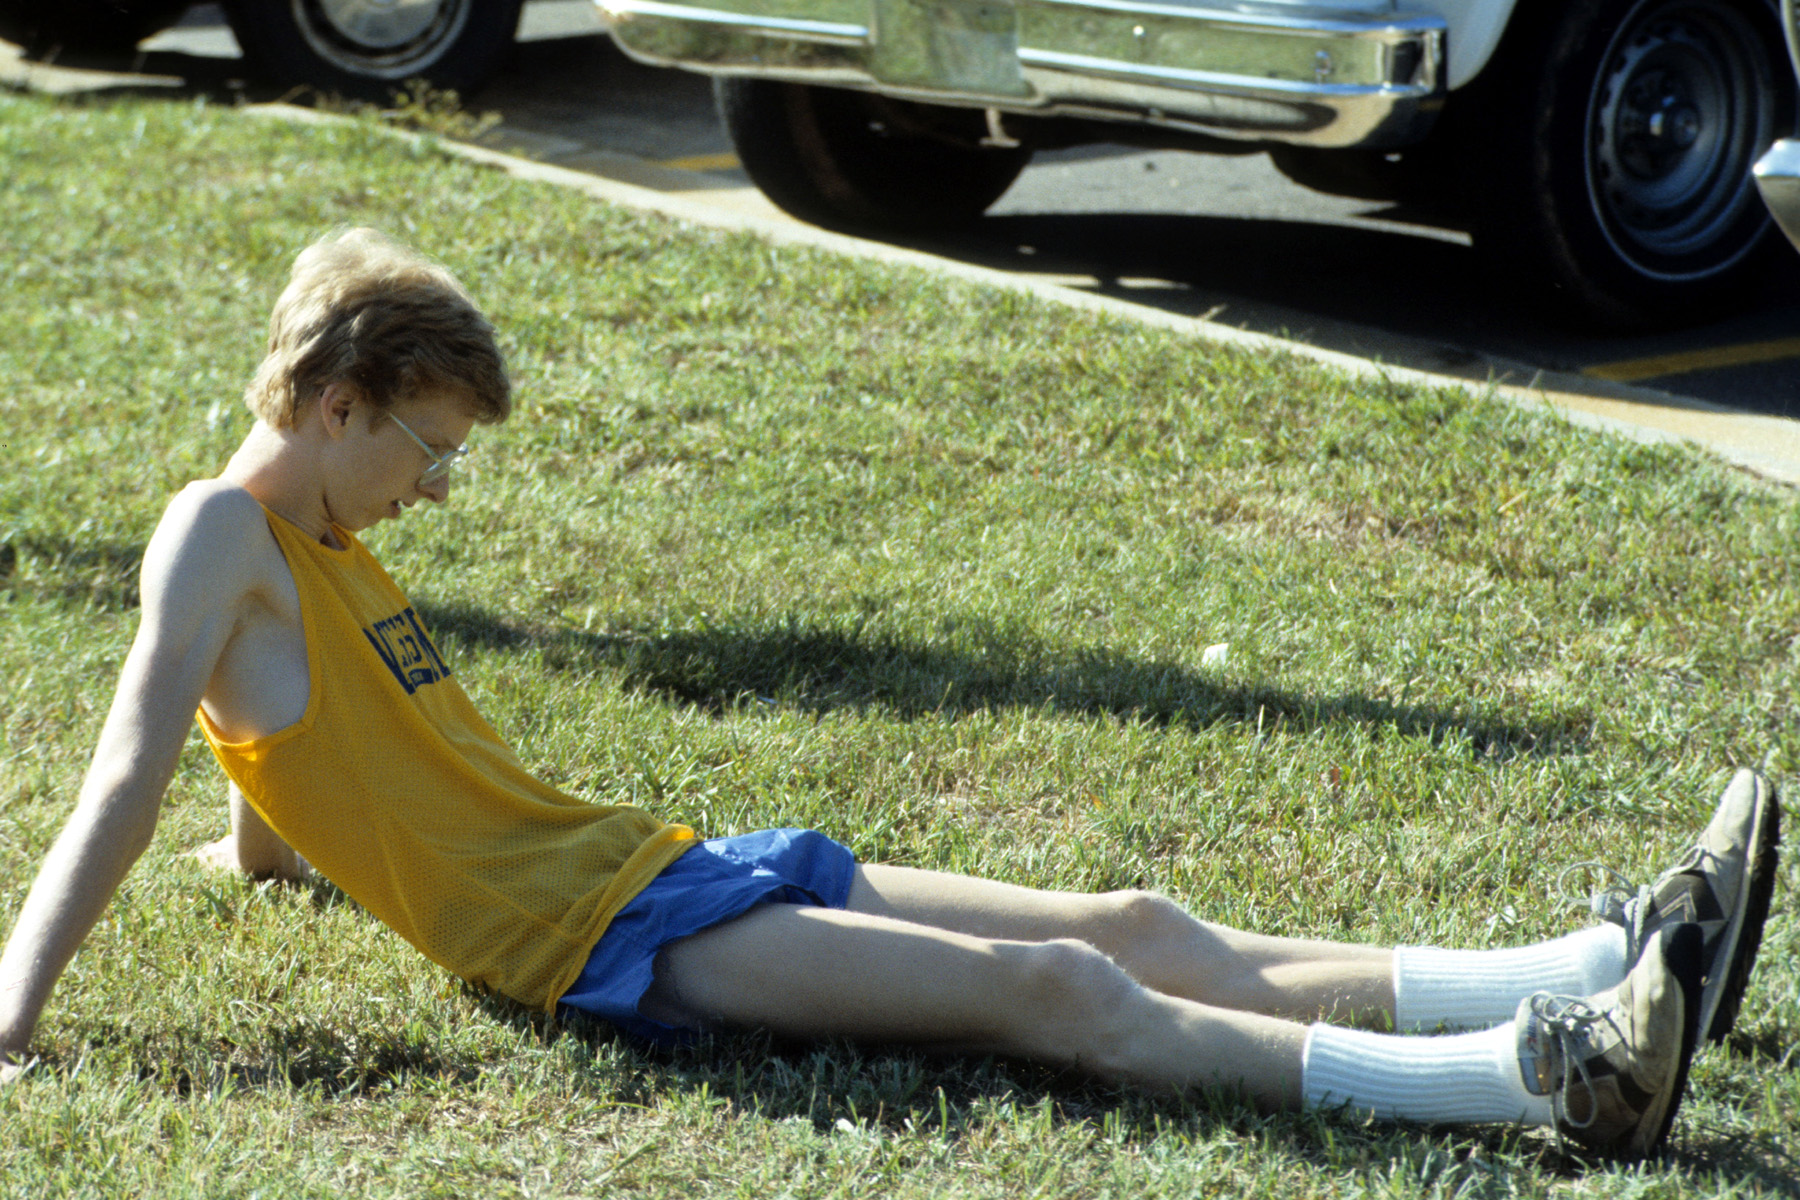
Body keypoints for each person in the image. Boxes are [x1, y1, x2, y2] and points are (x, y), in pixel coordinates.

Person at [0, 228, 1780, 1163]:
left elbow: (278, 764)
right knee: (1060, 995)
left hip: (656, 865)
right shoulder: (219, 533)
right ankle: (1542, 1083)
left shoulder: (318, 556)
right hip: (598, 943)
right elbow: (122, 779)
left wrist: (265, 854)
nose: (438, 488)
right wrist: (13, 1019)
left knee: (1131, 921)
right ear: (333, 401)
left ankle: (1590, 961)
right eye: (429, 448)